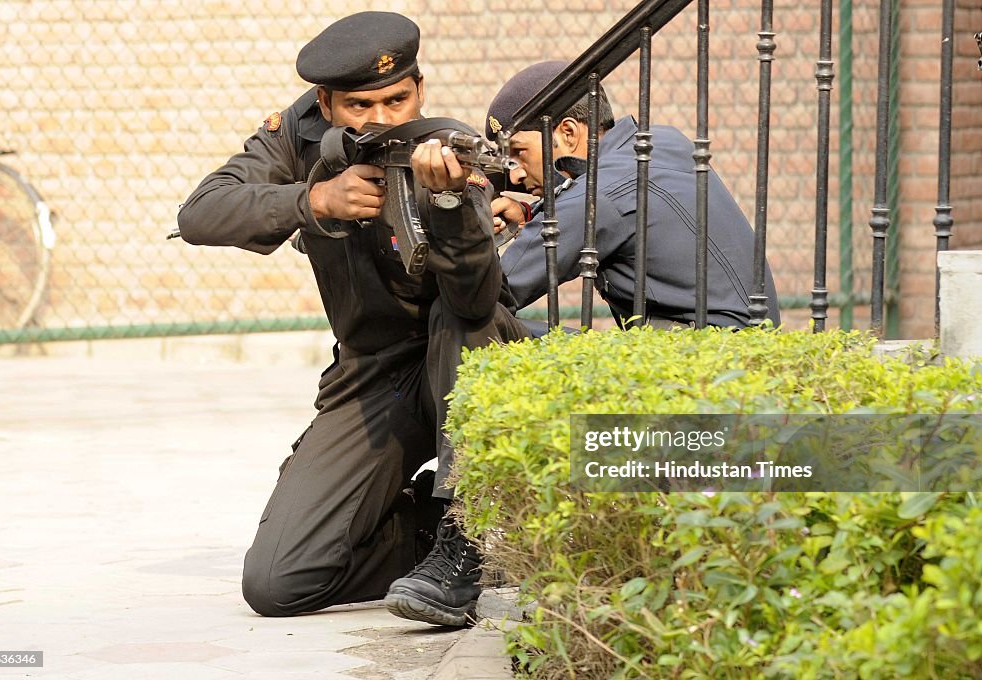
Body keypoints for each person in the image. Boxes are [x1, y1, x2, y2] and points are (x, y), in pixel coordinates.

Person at [176, 12, 528, 627]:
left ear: (420, 88)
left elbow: (476, 301)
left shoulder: (450, 149)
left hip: (463, 355)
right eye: (360, 105)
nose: (384, 118)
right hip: (371, 375)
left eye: (398, 98)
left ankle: (467, 535)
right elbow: (202, 213)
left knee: (458, 319)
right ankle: (428, 534)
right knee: (276, 584)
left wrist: (449, 205)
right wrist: (312, 200)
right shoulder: (295, 136)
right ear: (325, 102)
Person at [486, 61, 780, 329]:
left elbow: (491, 296)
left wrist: (466, 233)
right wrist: (529, 215)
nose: (515, 175)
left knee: (488, 330)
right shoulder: (659, 141)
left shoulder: (596, 197)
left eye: (519, 152)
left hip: (710, 354)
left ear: (568, 133)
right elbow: (609, 204)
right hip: (746, 336)